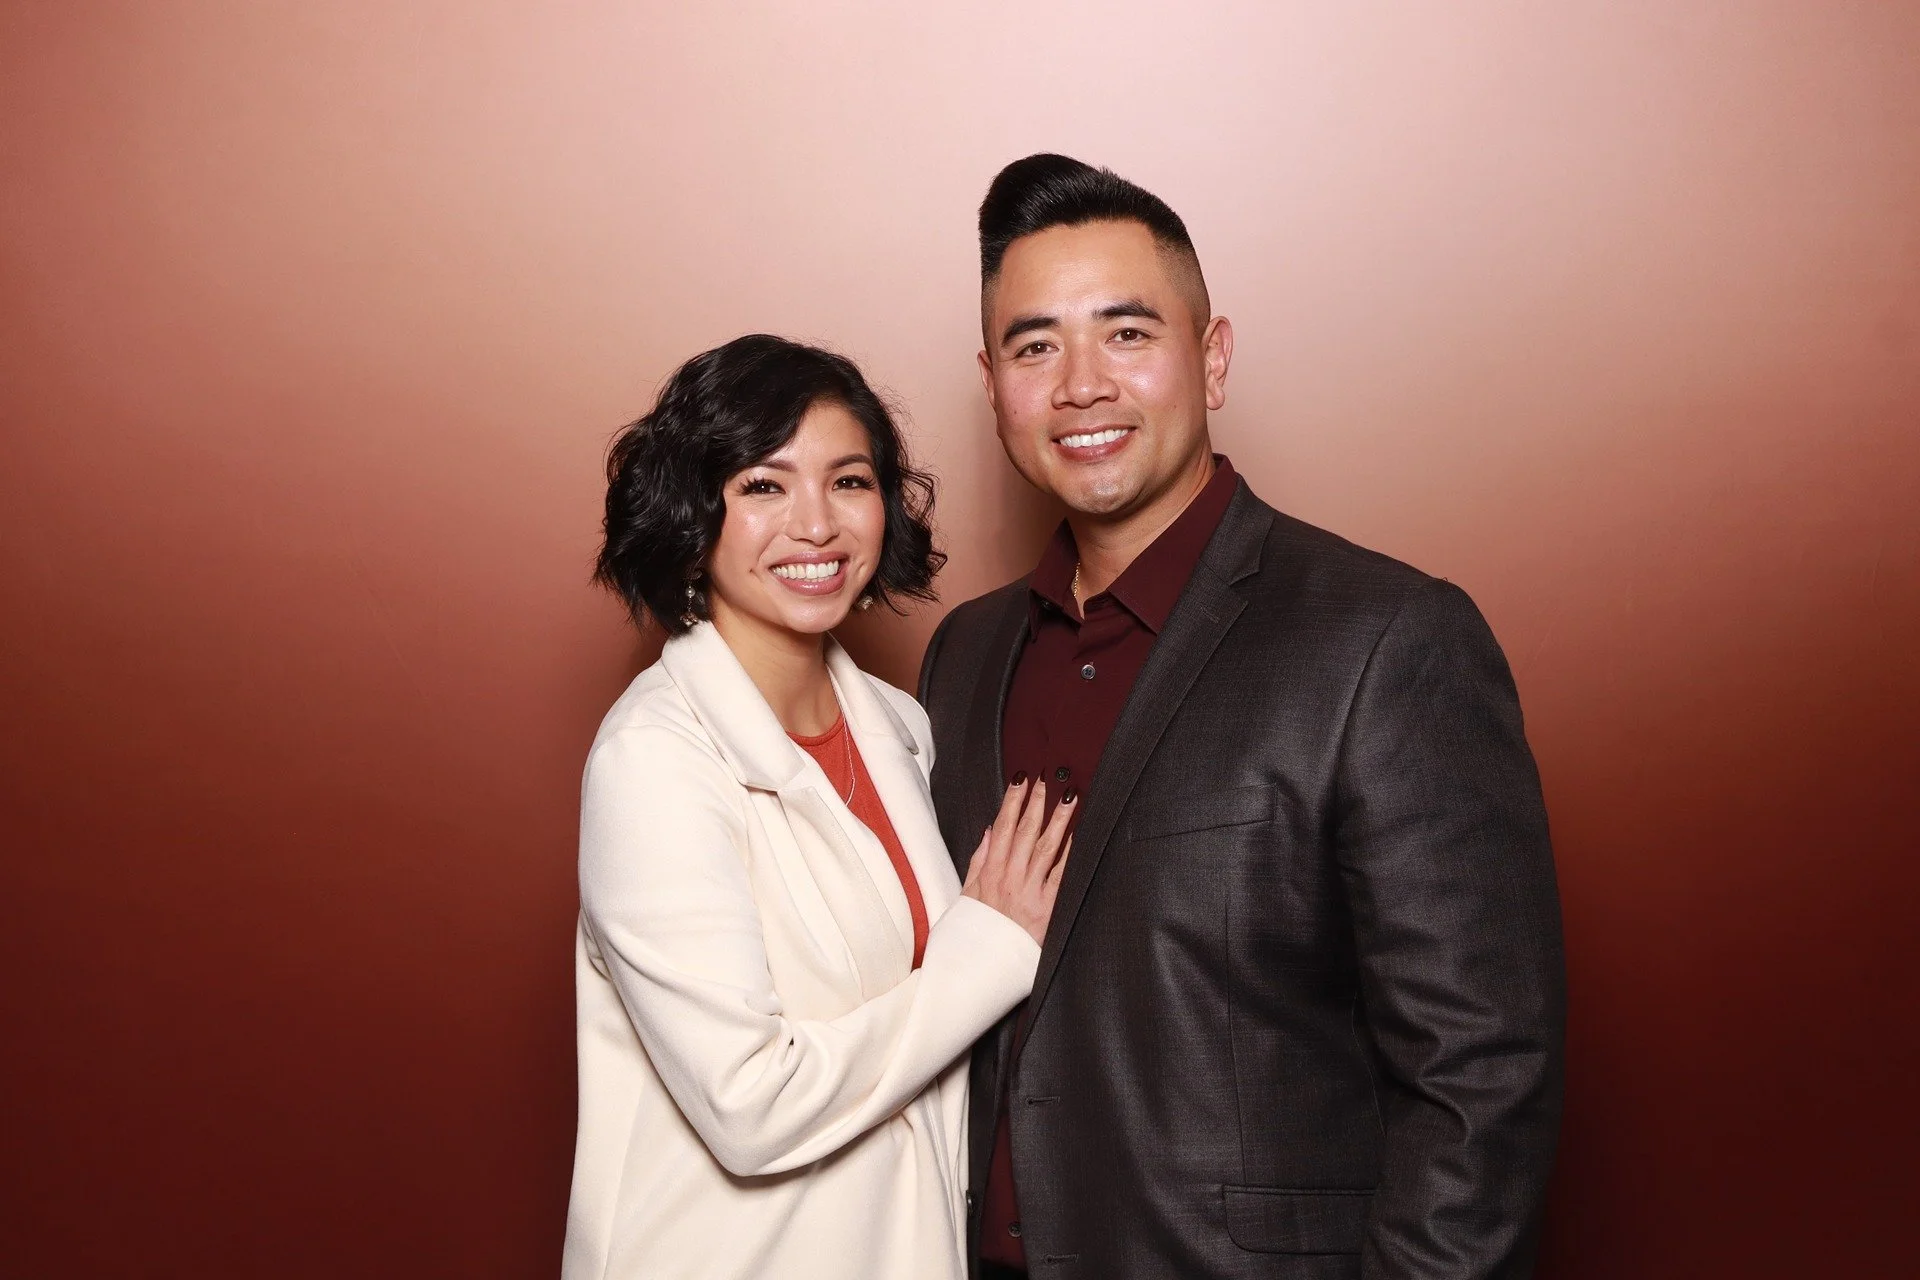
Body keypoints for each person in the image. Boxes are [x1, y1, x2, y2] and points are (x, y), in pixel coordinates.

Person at [918, 155, 1566, 1279]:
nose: (1081, 384)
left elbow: (1483, 1077)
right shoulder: (965, 655)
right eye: (1036, 346)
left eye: (1127, 333)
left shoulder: (1384, 637)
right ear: (993, 385)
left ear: (1211, 359)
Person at [564, 334, 1073, 1280]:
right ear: (691, 514)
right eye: (764, 486)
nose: (817, 525)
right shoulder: (654, 761)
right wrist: (989, 954)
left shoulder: (898, 725)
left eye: (849, 481)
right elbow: (749, 1107)